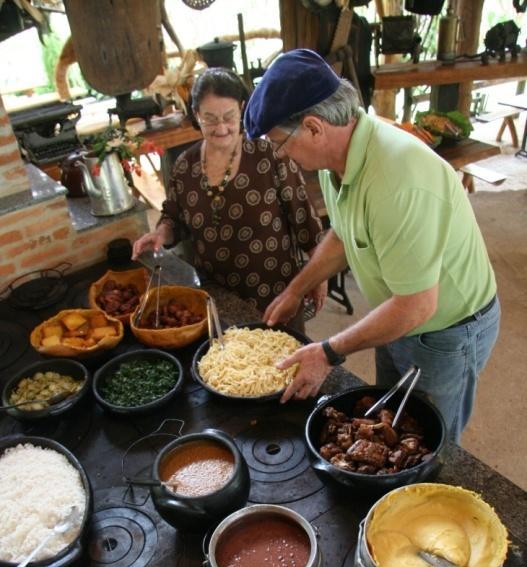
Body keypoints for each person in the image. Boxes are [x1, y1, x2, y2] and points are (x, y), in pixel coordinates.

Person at [243, 49, 500, 442]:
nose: (282, 156)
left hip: (447, 329)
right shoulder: (337, 161)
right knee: (389, 427)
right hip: (397, 315)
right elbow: (346, 233)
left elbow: (416, 305)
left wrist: (326, 352)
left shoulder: (397, 178)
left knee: (430, 445)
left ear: (313, 128)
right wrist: (296, 288)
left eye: (281, 144)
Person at [132, 67, 327, 331]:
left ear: (243, 108)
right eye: (210, 118)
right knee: (229, 367)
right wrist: (160, 234)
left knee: (284, 366)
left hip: (276, 295)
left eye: (228, 116)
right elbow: (174, 218)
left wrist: (319, 276)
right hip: (218, 299)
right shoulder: (184, 166)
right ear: (196, 114)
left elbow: (305, 220)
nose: (221, 127)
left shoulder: (269, 154)